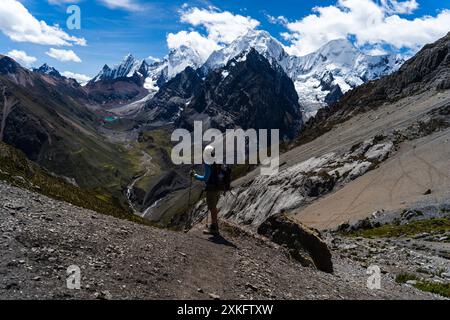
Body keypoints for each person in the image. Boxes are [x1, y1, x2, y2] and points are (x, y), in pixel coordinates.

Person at [191, 145, 221, 235]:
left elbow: (205, 177)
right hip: (217, 187)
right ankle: (214, 225)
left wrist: (195, 176)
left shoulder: (209, 163)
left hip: (211, 188)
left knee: (212, 207)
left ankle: (214, 227)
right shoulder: (216, 161)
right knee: (214, 206)